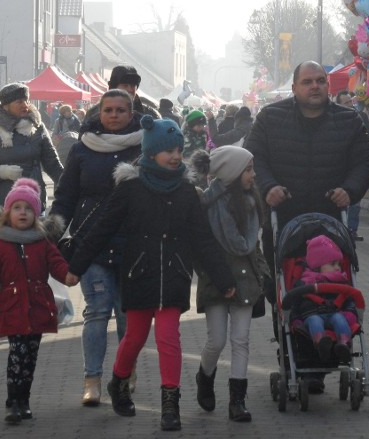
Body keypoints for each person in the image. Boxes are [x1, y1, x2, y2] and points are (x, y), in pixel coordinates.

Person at [64, 116, 236, 432]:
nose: (174, 156)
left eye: (178, 149)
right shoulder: (130, 187)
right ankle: (118, 381)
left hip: (174, 273)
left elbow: (202, 238)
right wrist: (76, 266)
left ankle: (171, 404)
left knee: (168, 336)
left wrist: (224, 279)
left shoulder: (186, 190)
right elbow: (102, 229)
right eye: (167, 150)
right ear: (151, 151)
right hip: (139, 272)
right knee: (135, 337)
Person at [244, 60, 369, 393]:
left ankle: (330, 353)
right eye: (307, 82)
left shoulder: (350, 121)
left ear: (328, 86)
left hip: (331, 221)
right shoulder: (271, 119)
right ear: (294, 88)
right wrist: (268, 186)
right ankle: (295, 358)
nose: (314, 86)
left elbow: (364, 163)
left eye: (320, 81)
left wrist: (350, 189)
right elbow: (254, 158)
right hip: (284, 218)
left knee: (334, 287)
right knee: (285, 292)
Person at [49, 89, 143, 407]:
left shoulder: (144, 148)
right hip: (92, 243)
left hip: (133, 243)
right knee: (98, 311)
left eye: (120, 110)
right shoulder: (81, 149)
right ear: (98, 113)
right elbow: (65, 196)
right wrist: (51, 233)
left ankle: (125, 373)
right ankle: (92, 380)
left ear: (131, 114)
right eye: (108, 110)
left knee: (127, 315)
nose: (114, 115)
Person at [0, 178, 68, 424]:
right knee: (17, 354)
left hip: (38, 308)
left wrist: (70, 275)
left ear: (36, 214)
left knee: (31, 357)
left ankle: (24, 400)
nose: (23, 213)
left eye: (28, 209)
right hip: (12, 309)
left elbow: (57, 265)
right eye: (17, 208)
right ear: (8, 213)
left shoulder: (42, 243)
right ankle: (12, 402)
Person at [191, 146, 265, 422]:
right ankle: (205, 376)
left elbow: (253, 247)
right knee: (217, 341)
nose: (253, 175)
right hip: (215, 282)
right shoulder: (206, 205)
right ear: (232, 173)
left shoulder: (251, 201)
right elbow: (201, 249)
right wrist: (217, 278)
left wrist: (263, 275)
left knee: (240, 340)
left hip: (246, 279)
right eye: (248, 169)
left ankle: (237, 401)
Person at [0, 83, 64, 216]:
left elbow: (53, 164)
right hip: (3, 204)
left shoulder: (38, 128)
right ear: (5, 106)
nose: (25, 105)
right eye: (19, 101)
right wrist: (2, 172)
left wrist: (70, 186)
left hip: (34, 199)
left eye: (26, 100)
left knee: (36, 237)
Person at [291, 235, 358, 364]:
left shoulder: (342, 283)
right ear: (317, 266)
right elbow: (294, 303)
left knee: (340, 318)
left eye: (339, 264)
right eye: (333, 264)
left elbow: (350, 299)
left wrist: (350, 313)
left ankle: (344, 344)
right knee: (314, 320)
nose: (338, 268)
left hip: (334, 313)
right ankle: (321, 343)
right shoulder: (303, 284)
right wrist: (295, 319)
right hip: (310, 316)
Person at [334, 90, 369, 242]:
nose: (350, 105)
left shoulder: (360, 117)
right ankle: (340, 229)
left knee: (355, 202)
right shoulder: (333, 120)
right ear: (339, 104)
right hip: (338, 168)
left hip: (354, 168)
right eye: (346, 103)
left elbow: (367, 138)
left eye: (351, 102)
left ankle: (352, 230)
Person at [83, 66, 160, 124]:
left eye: (133, 86)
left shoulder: (149, 114)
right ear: (114, 87)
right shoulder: (94, 113)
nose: (130, 90)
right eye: (125, 85)